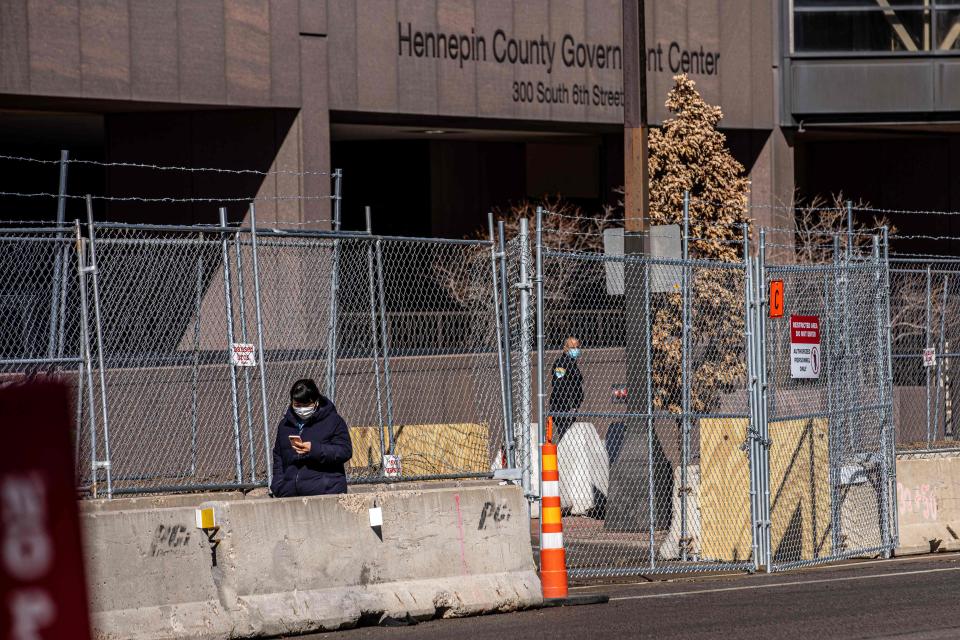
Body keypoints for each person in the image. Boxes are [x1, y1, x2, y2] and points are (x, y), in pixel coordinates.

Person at [270, 378, 353, 497]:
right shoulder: (285, 425)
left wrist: (314, 449)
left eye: (306, 404)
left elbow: (345, 451)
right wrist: (279, 485)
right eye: (297, 405)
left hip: (325, 492)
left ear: (316, 402)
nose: (302, 409)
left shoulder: (333, 421)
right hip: (290, 494)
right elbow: (278, 456)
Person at [549, 336, 584, 443]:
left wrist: (576, 404)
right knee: (565, 436)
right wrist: (567, 405)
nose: (576, 349)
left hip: (571, 407)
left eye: (577, 347)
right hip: (563, 407)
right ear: (566, 348)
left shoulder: (573, 364)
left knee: (570, 438)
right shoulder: (561, 363)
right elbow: (558, 384)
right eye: (572, 347)